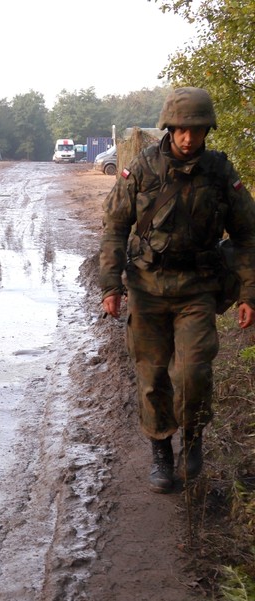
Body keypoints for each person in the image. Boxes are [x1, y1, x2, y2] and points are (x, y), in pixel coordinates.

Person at [99, 87, 255, 493]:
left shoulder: (220, 172)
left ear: (207, 130)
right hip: (147, 290)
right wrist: (110, 285)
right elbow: (115, 227)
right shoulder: (143, 169)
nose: (189, 138)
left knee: (193, 373)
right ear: (170, 127)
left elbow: (247, 235)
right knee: (152, 377)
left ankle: (194, 440)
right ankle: (161, 451)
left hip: (197, 290)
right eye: (182, 129)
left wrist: (247, 294)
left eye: (198, 130)